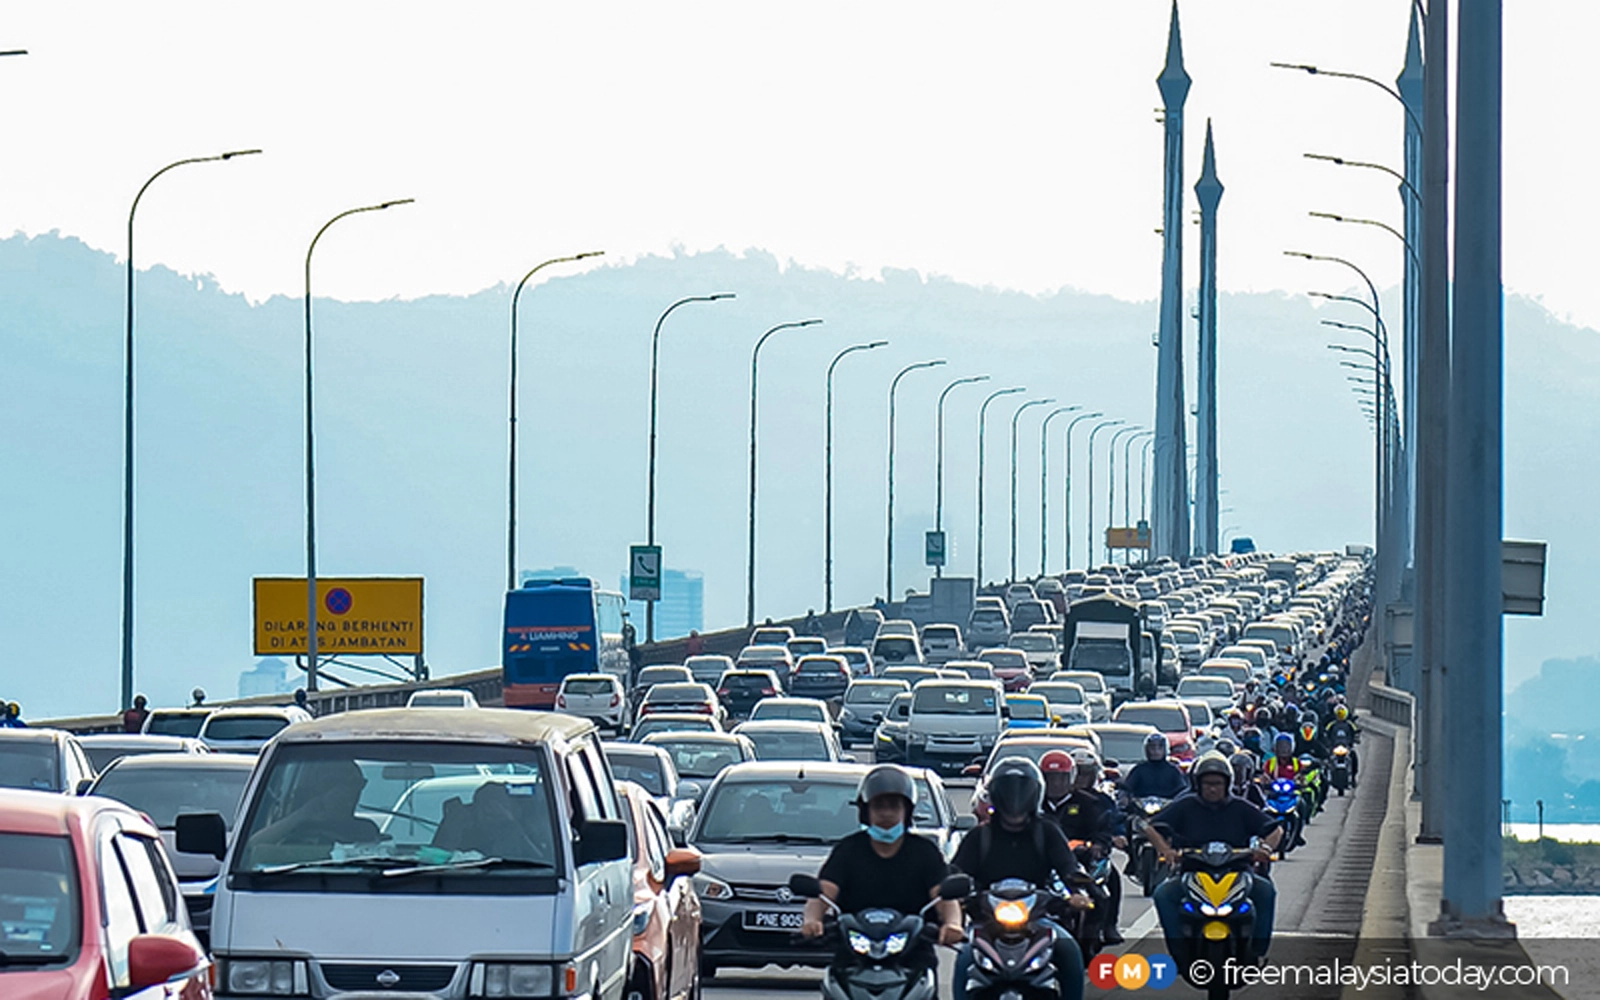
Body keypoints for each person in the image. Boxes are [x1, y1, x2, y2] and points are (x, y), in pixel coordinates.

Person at [950, 758, 1092, 1000]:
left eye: (1021, 791)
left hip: (1038, 920)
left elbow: (1068, 867)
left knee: (1069, 950)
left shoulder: (1046, 831)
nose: (1014, 801)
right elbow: (956, 872)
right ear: (995, 794)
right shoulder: (979, 836)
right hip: (987, 923)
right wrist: (955, 895)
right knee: (965, 957)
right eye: (1007, 791)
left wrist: (1078, 893)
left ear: (1034, 795)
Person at [802, 766, 962, 972]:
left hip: (912, 957)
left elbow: (944, 897)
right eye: (879, 806)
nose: (886, 813)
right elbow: (823, 893)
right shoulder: (848, 850)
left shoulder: (925, 852)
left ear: (907, 811)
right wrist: (812, 920)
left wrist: (952, 924)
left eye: (894, 806)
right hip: (854, 957)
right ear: (866, 811)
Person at [1142, 753, 1281, 965]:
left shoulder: (1241, 807)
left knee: (1265, 891)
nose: (1212, 788)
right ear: (1198, 784)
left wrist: (1265, 848)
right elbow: (1150, 826)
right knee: (1163, 894)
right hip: (1193, 873)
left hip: (1238, 873)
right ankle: (1179, 953)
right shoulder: (1185, 805)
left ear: (1228, 783)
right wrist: (1165, 850)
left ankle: (1257, 952)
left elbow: (1275, 829)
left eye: (1217, 783)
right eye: (1207, 783)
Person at [1040, 750, 1124, 946]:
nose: (1056, 784)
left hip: (1080, 861)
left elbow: (1102, 828)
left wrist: (1098, 845)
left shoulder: (1089, 803)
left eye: (1061, 778)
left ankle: (1104, 928)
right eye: (1050, 779)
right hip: (1040, 861)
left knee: (1104, 887)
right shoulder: (1033, 804)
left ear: (1070, 778)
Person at [1119, 732, 1189, 800]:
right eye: (1152, 747)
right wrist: (1124, 796)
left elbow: (1182, 789)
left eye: (1160, 747)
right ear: (1147, 749)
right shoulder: (1139, 770)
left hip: (1168, 809)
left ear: (1165, 750)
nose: (1156, 751)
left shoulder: (1173, 770)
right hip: (1140, 808)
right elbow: (1127, 787)